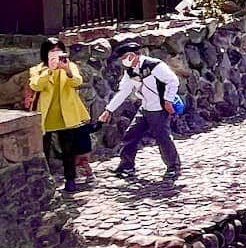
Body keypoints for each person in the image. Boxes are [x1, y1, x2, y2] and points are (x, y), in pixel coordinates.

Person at [99, 39, 183, 179]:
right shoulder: (130, 72)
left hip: (159, 108)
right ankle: (126, 166)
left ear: (131, 55)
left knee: (163, 138)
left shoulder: (154, 65)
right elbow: (123, 92)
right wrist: (109, 110)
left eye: (123, 58)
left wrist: (168, 100)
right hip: (145, 108)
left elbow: (173, 80)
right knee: (131, 135)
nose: (122, 61)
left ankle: (173, 167)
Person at [27, 37, 93, 194]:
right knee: (44, 150)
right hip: (46, 116)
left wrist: (66, 70)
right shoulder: (37, 69)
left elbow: (77, 82)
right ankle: (45, 182)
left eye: (58, 50)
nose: (56, 53)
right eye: (52, 50)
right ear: (46, 53)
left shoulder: (70, 66)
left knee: (68, 150)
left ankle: (70, 180)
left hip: (66, 116)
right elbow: (35, 85)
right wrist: (49, 70)